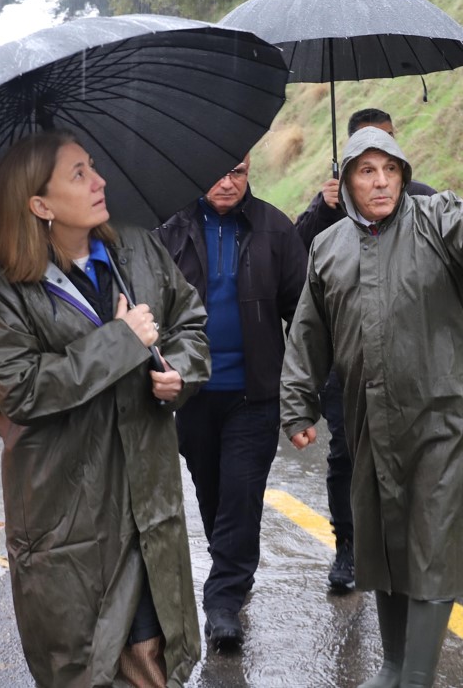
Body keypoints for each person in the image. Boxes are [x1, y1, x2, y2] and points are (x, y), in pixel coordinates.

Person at [280, 127, 463, 688]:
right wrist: (297, 407)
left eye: (390, 169)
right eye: (366, 171)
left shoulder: (434, 220)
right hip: (369, 418)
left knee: (431, 545)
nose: (381, 181)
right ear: (347, 182)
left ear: (404, 173)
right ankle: (392, 664)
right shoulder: (327, 248)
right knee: (386, 542)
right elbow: (308, 334)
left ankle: (418, 676)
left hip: (445, 418)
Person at [0, 131, 209, 687]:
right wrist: (120, 340)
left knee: (153, 662)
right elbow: (21, 390)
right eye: (78, 173)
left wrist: (181, 372)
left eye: (93, 166)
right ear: (40, 204)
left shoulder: (138, 249)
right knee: (84, 667)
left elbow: (190, 325)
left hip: (145, 505)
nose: (99, 180)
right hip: (69, 522)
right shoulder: (5, 291)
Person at [153, 153, 305, 649]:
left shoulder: (275, 230)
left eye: (236, 172)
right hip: (192, 394)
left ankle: (223, 600)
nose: (226, 181)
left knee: (241, 496)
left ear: (249, 173)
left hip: (254, 393)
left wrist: (306, 396)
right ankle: (233, 568)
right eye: (217, 171)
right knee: (213, 495)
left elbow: (302, 317)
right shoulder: (170, 230)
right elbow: (146, 307)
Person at [293, 108, 438, 592]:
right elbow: (300, 273)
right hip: (347, 365)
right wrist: (322, 206)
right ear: (348, 158)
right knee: (349, 458)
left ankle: (412, 550)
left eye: (389, 151)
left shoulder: (424, 203)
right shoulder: (331, 210)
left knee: (417, 460)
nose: (379, 175)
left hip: (412, 368)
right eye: (366, 158)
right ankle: (349, 547)